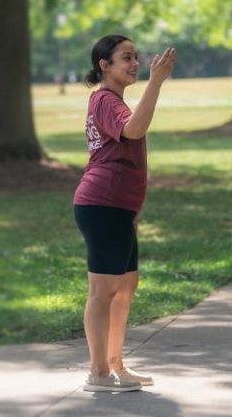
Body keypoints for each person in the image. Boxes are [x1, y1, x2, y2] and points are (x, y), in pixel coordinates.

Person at [73, 35, 176, 392]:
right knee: (103, 291)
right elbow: (134, 130)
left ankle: (115, 363)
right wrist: (156, 82)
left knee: (125, 287)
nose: (134, 63)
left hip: (119, 208)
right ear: (104, 65)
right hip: (103, 204)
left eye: (135, 57)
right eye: (126, 58)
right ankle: (98, 372)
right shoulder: (104, 99)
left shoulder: (112, 100)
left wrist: (133, 212)